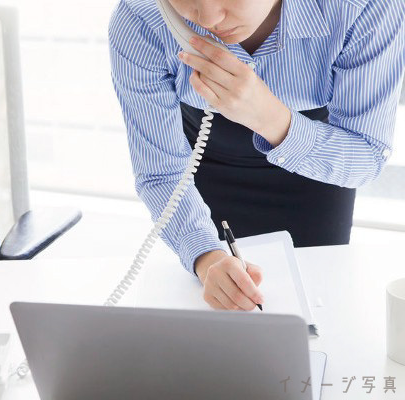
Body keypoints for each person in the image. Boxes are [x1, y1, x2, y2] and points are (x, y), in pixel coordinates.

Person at [109, 0, 405, 310]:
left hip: (319, 172)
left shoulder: (366, 7)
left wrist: (267, 117)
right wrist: (205, 256)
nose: (208, 19)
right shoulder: (140, 18)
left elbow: (365, 156)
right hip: (201, 175)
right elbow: (160, 173)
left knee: (317, 310)